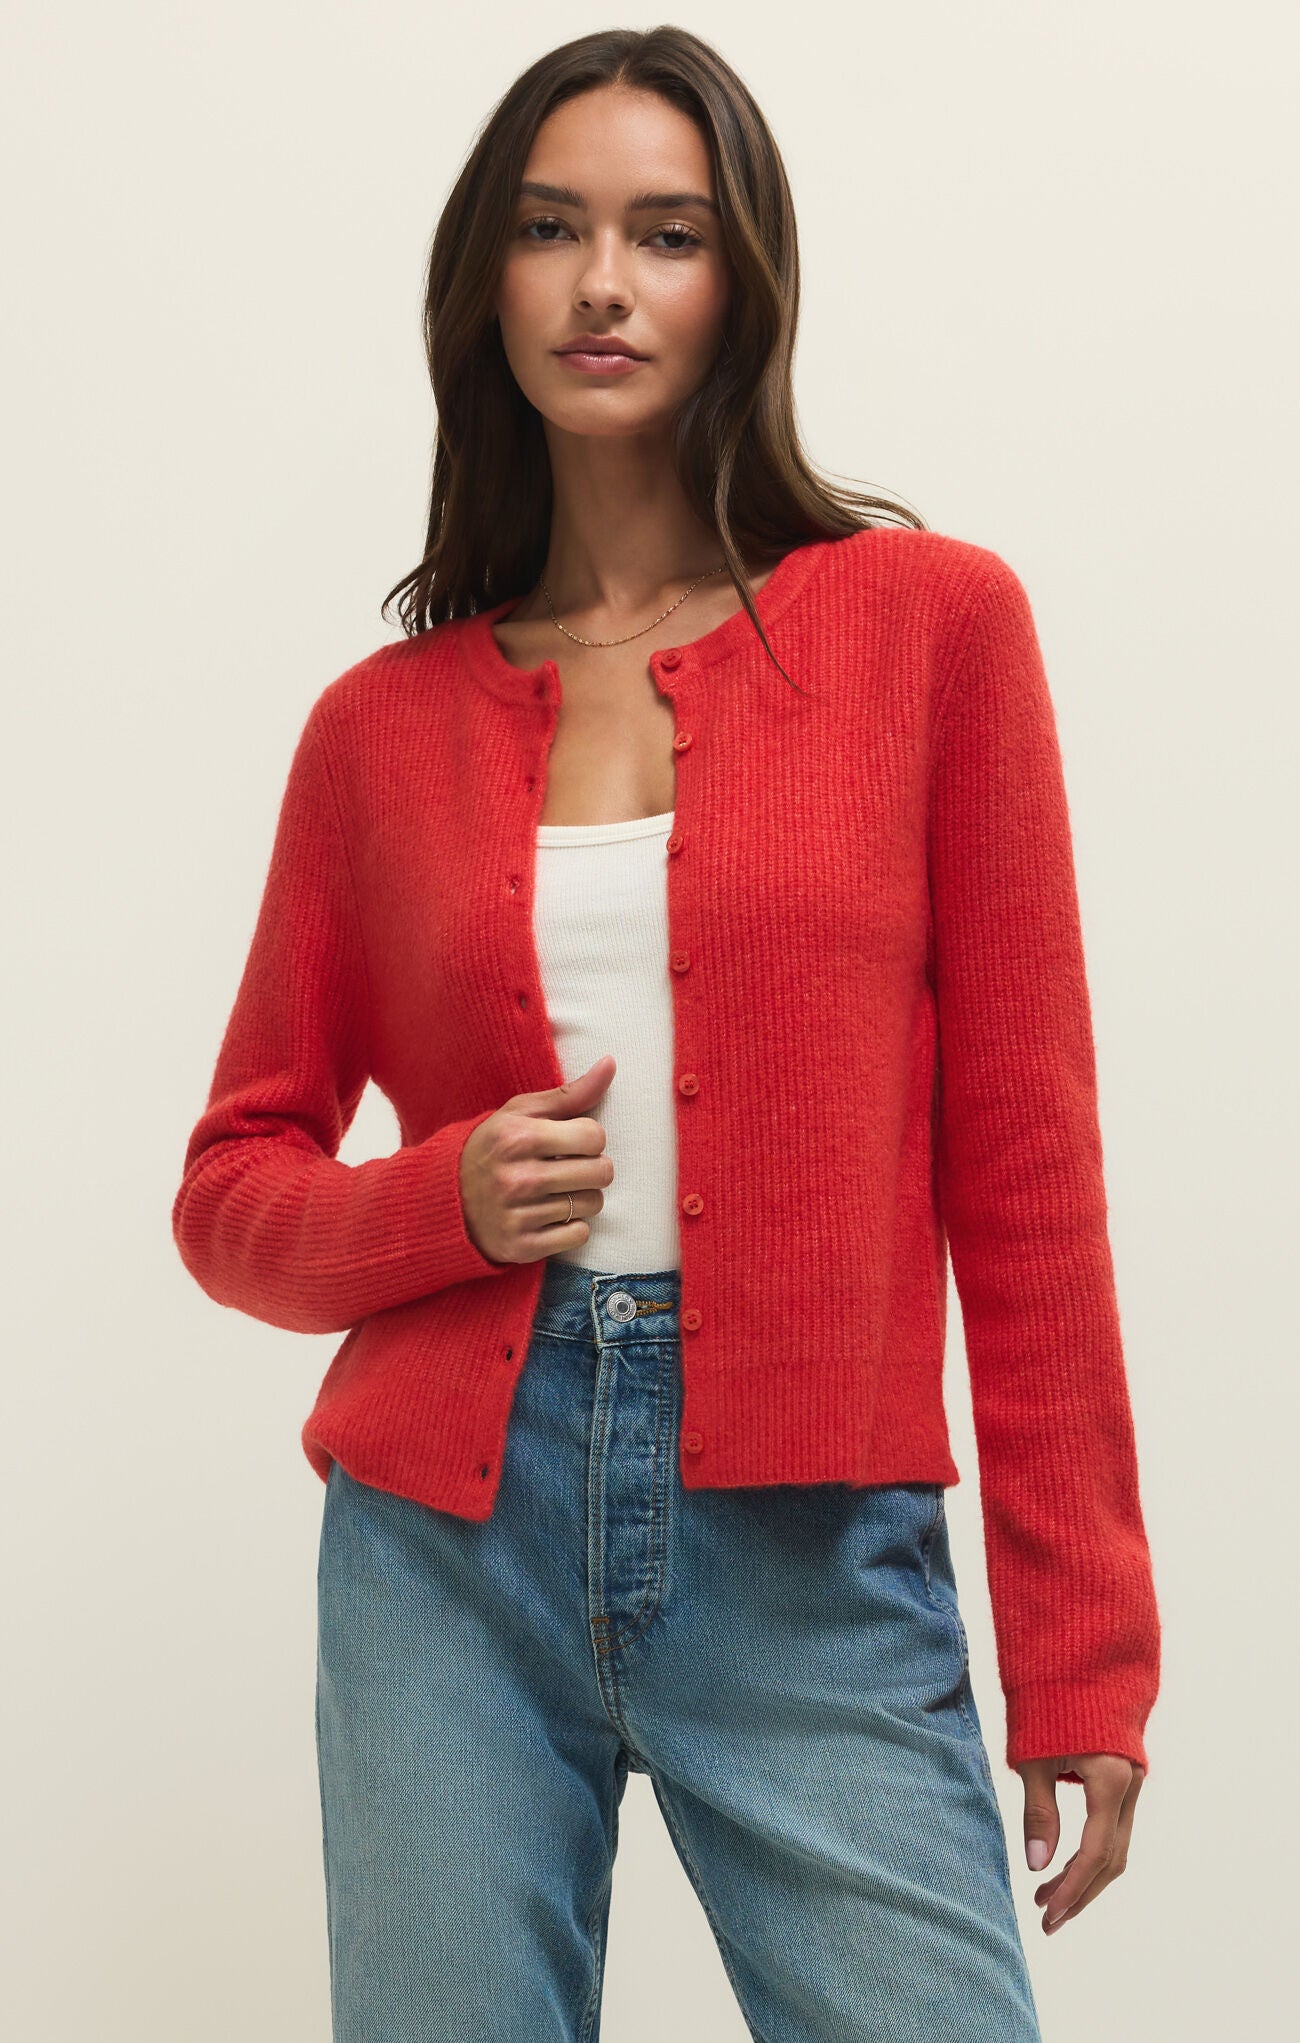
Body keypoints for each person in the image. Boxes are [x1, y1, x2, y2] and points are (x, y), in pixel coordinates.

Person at [172, 25, 1161, 2042]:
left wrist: (1080, 1656)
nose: (602, 282)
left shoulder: (922, 630)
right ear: (489, 279)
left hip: (810, 1533)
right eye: (551, 229)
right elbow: (230, 1185)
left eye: (663, 232)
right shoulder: (380, 731)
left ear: (743, 283)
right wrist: (436, 1200)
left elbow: (1028, 1166)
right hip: (446, 1543)